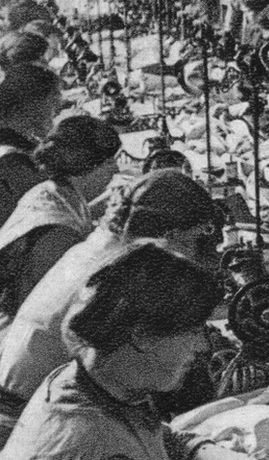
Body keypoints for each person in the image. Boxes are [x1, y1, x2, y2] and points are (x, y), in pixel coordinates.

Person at [0, 170, 221, 445]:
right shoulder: (121, 272)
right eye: (193, 240)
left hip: (30, 406)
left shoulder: (94, 249)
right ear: (171, 235)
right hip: (34, 423)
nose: (194, 252)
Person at [0, 244, 254, 460]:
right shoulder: (94, 441)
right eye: (193, 331)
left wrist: (203, 450)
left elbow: (151, 433)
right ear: (142, 335)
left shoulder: (88, 380)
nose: (202, 346)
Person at [0, 116, 120, 332]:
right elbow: (51, 305)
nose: (116, 170)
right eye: (110, 162)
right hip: (17, 332)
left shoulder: (54, 191)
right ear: (87, 164)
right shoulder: (58, 234)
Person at [0, 64, 61, 226]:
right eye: (52, 101)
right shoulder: (12, 159)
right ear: (31, 104)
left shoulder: (14, 138)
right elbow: (47, 218)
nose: (56, 110)